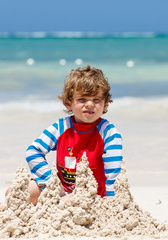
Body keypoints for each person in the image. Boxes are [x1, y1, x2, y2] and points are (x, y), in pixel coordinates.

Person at [22, 65, 123, 205]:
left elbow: (113, 175)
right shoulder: (61, 127)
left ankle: (56, 206)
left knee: (67, 201)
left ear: (105, 105)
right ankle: (54, 203)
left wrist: (111, 203)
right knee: (17, 193)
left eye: (96, 100)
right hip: (63, 189)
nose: (89, 104)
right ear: (69, 103)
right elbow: (33, 152)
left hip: (93, 195)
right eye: (82, 99)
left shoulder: (109, 133)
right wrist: (51, 181)